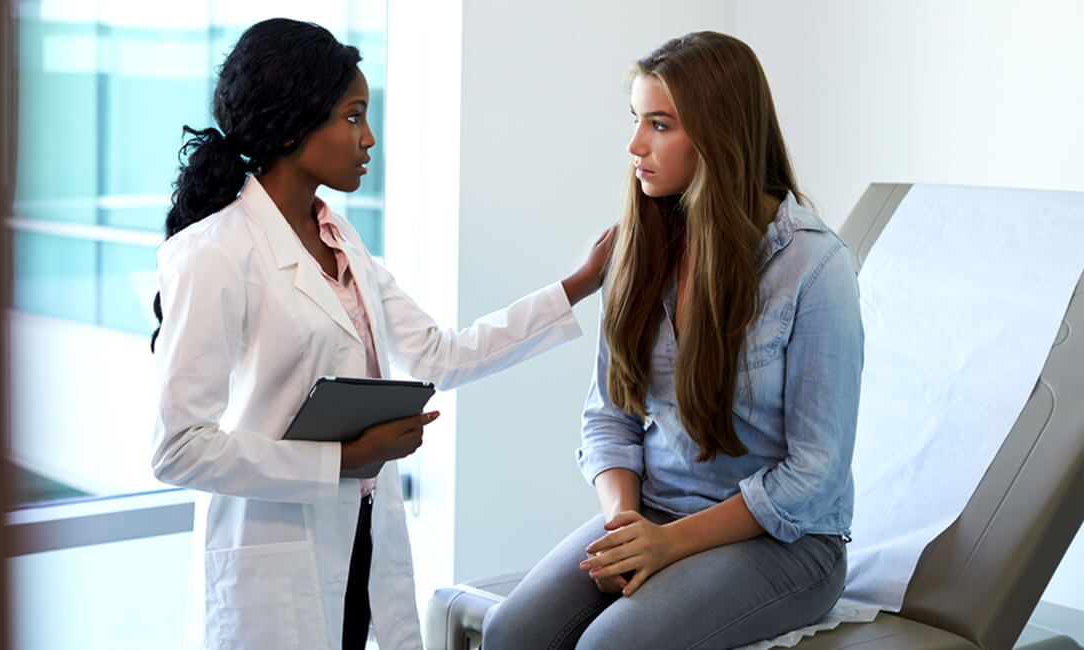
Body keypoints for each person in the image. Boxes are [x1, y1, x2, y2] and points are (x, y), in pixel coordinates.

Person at [149, 18, 612, 650]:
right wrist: (340, 460)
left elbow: (441, 355)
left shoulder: (342, 241)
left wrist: (580, 283)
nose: (368, 139)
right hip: (277, 554)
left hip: (363, 534)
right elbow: (178, 448)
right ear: (292, 124)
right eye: (351, 117)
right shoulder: (215, 253)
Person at [483, 31, 864, 649]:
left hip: (785, 542)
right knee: (511, 634)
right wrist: (625, 526)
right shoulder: (642, 243)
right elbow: (610, 417)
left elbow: (813, 475)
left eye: (659, 125)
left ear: (720, 133)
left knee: (612, 647)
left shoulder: (815, 268)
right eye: (636, 120)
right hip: (653, 512)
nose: (635, 146)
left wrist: (667, 545)